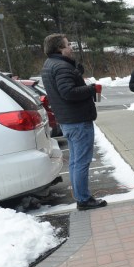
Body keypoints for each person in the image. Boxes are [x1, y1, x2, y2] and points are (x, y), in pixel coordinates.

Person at [40, 33, 107, 211]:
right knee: (82, 162)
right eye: (67, 44)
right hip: (77, 121)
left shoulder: (51, 64)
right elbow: (68, 92)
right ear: (59, 49)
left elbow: (66, 86)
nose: (71, 47)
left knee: (76, 161)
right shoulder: (61, 67)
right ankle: (84, 199)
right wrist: (91, 89)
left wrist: (76, 72)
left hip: (68, 121)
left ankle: (80, 196)